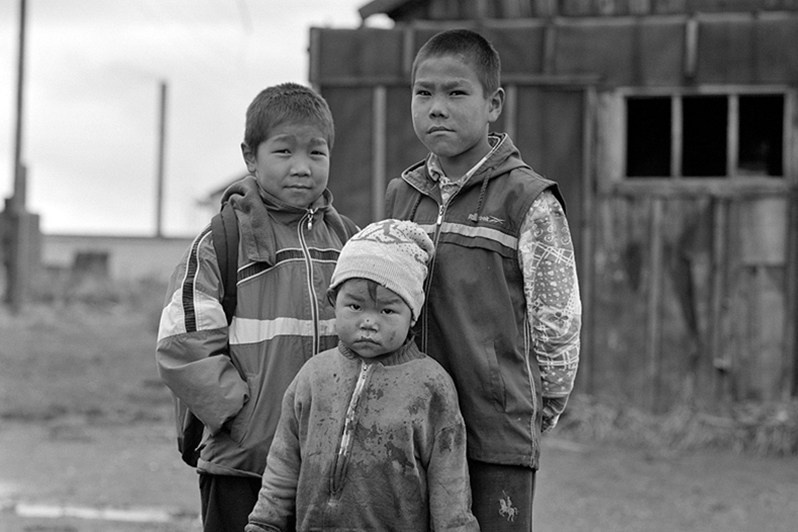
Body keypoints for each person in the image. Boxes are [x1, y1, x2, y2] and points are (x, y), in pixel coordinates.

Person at [384, 29, 582, 530]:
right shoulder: (400, 196)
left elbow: (557, 321)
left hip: (493, 435)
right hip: (408, 432)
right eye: (423, 92)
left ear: (493, 104)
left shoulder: (528, 200)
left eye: (456, 93)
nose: (436, 108)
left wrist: (540, 411)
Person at [156, 82, 357, 532]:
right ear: (251, 156)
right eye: (283, 152)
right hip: (242, 467)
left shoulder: (349, 242)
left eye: (316, 153)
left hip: (328, 471)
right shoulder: (221, 243)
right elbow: (181, 344)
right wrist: (241, 418)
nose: (302, 168)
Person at [246, 219, 480, 532]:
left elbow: (450, 482)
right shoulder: (314, 376)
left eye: (387, 311)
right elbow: (283, 461)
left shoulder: (431, 386)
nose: (368, 321)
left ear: (412, 316)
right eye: (355, 305)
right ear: (334, 302)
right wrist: (264, 523)